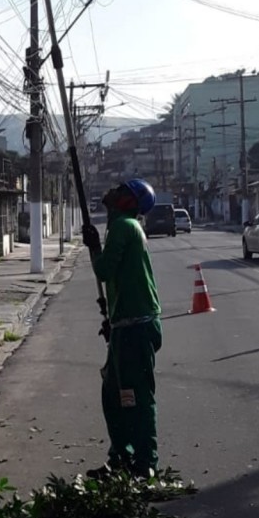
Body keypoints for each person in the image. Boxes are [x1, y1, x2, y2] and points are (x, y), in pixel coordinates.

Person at [81, 178, 163, 474]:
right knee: (114, 397)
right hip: (126, 325)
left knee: (136, 397)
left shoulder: (123, 227)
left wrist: (93, 248)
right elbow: (118, 280)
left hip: (136, 327)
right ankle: (122, 457)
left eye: (121, 189)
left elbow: (103, 270)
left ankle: (145, 463)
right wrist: (112, 321)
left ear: (128, 201)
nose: (112, 190)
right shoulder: (124, 227)